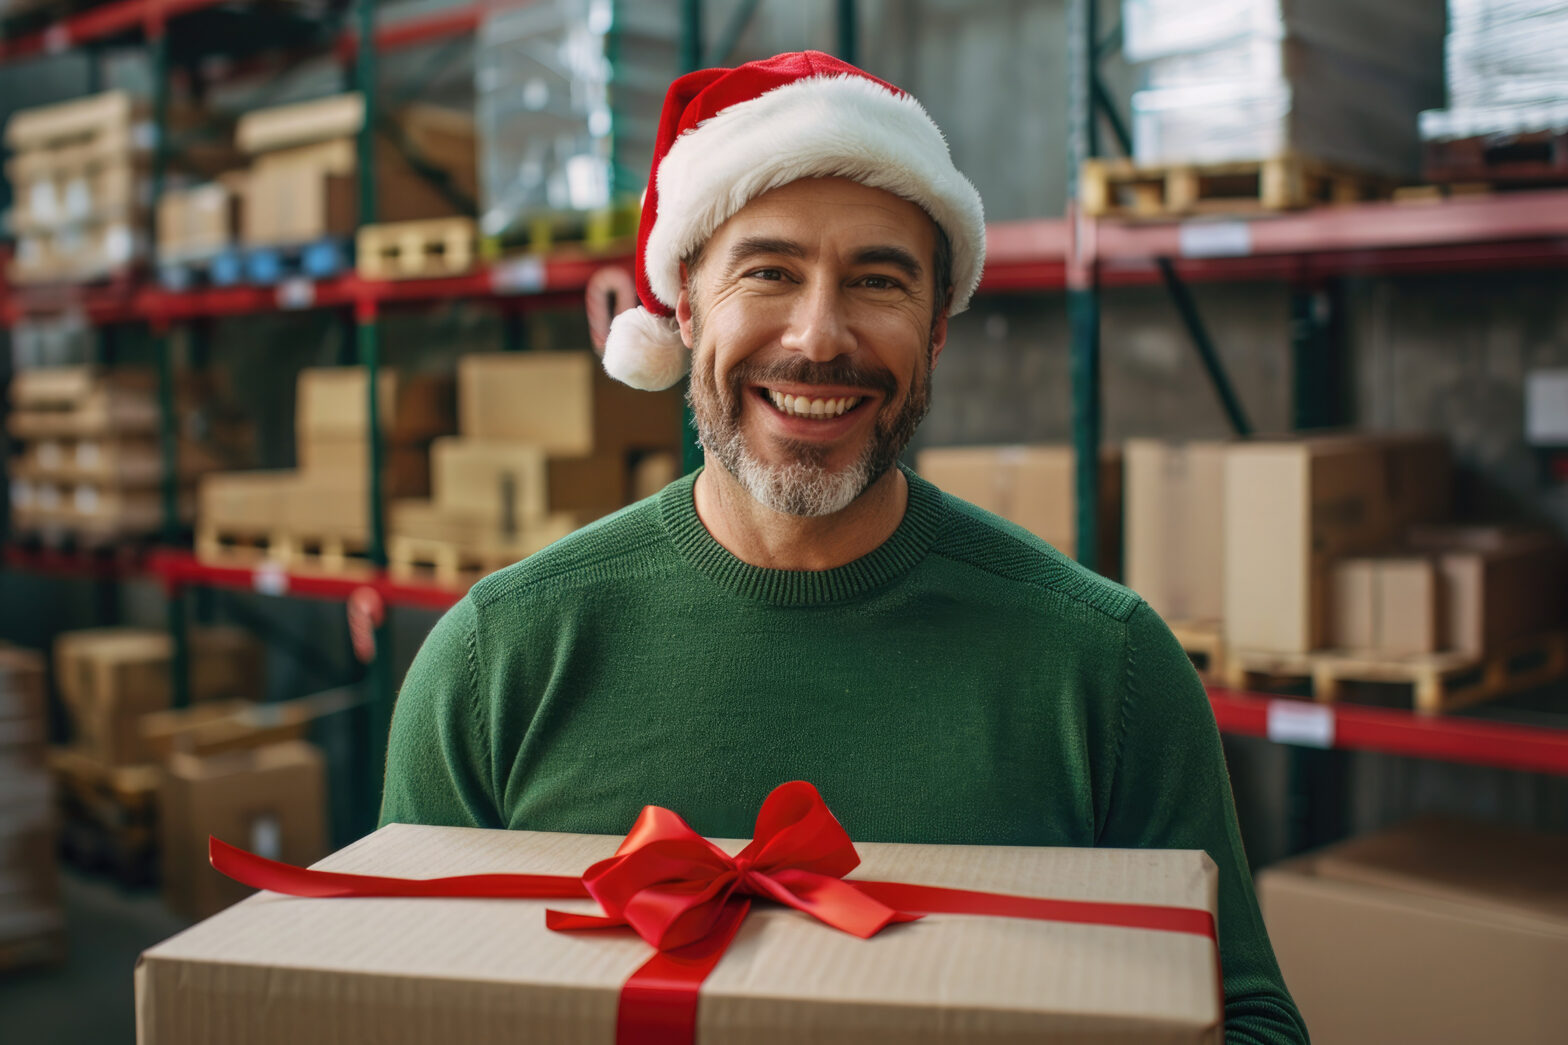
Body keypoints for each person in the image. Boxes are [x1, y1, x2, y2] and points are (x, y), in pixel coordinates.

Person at [381, 51, 1308, 1043]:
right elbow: (381, 1006)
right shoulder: (496, 665)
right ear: (685, 305)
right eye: (768, 272)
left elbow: (1246, 1019)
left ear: (937, 327)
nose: (818, 338)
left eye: (877, 280)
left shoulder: (1105, 668)